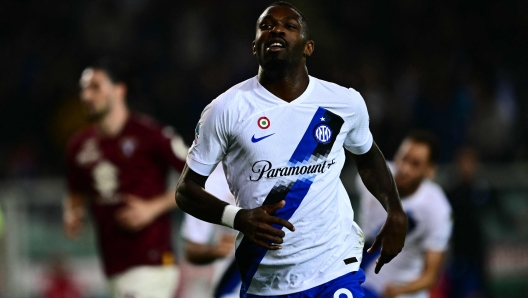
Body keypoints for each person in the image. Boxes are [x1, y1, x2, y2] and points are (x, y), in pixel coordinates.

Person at [175, 2, 408, 297]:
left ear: (308, 47)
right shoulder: (225, 110)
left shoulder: (343, 103)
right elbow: (186, 191)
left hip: (334, 269)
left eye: (289, 26)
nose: (277, 30)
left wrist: (395, 210)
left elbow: (367, 155)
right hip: (265, 278)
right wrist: (238, 218)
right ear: (255, 46)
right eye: (266, 25)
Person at [63, 58, 187, 298]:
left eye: (95, 87)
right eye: (84, 89)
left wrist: (152, 208)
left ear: (119, 90)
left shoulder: (151, 135)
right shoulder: (79, 146)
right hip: (113, 264)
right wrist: (72, 212)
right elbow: (75, 191)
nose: (86, 96)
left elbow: (200, 177)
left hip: (152, 261)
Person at [357, 131, 452, 298]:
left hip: (402, 292)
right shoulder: (373, 177)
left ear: (430, 171)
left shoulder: (437, 209)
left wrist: (398, 291)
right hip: (362, 282)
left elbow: (431, 276)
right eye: (403, 158)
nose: (404, 168)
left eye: (415, 164)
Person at [181, 163, 241, 298]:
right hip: (232, 285)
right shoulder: (208, 181)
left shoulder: (287, 169)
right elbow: (192, 250)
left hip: (286, 280)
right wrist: (216, 251)